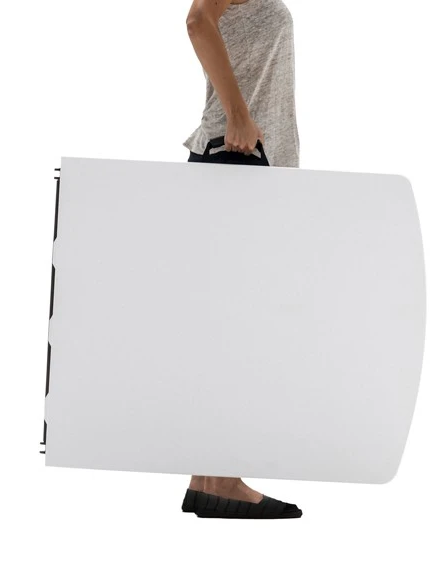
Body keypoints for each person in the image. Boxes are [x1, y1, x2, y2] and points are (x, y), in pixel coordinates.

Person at [180, 0, 302, 519]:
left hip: (248, 161)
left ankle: (207, 476)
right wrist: (238, 115)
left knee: (224, 327)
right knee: (236, 328)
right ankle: (221, 480)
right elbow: (197, 21)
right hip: (236, 158)